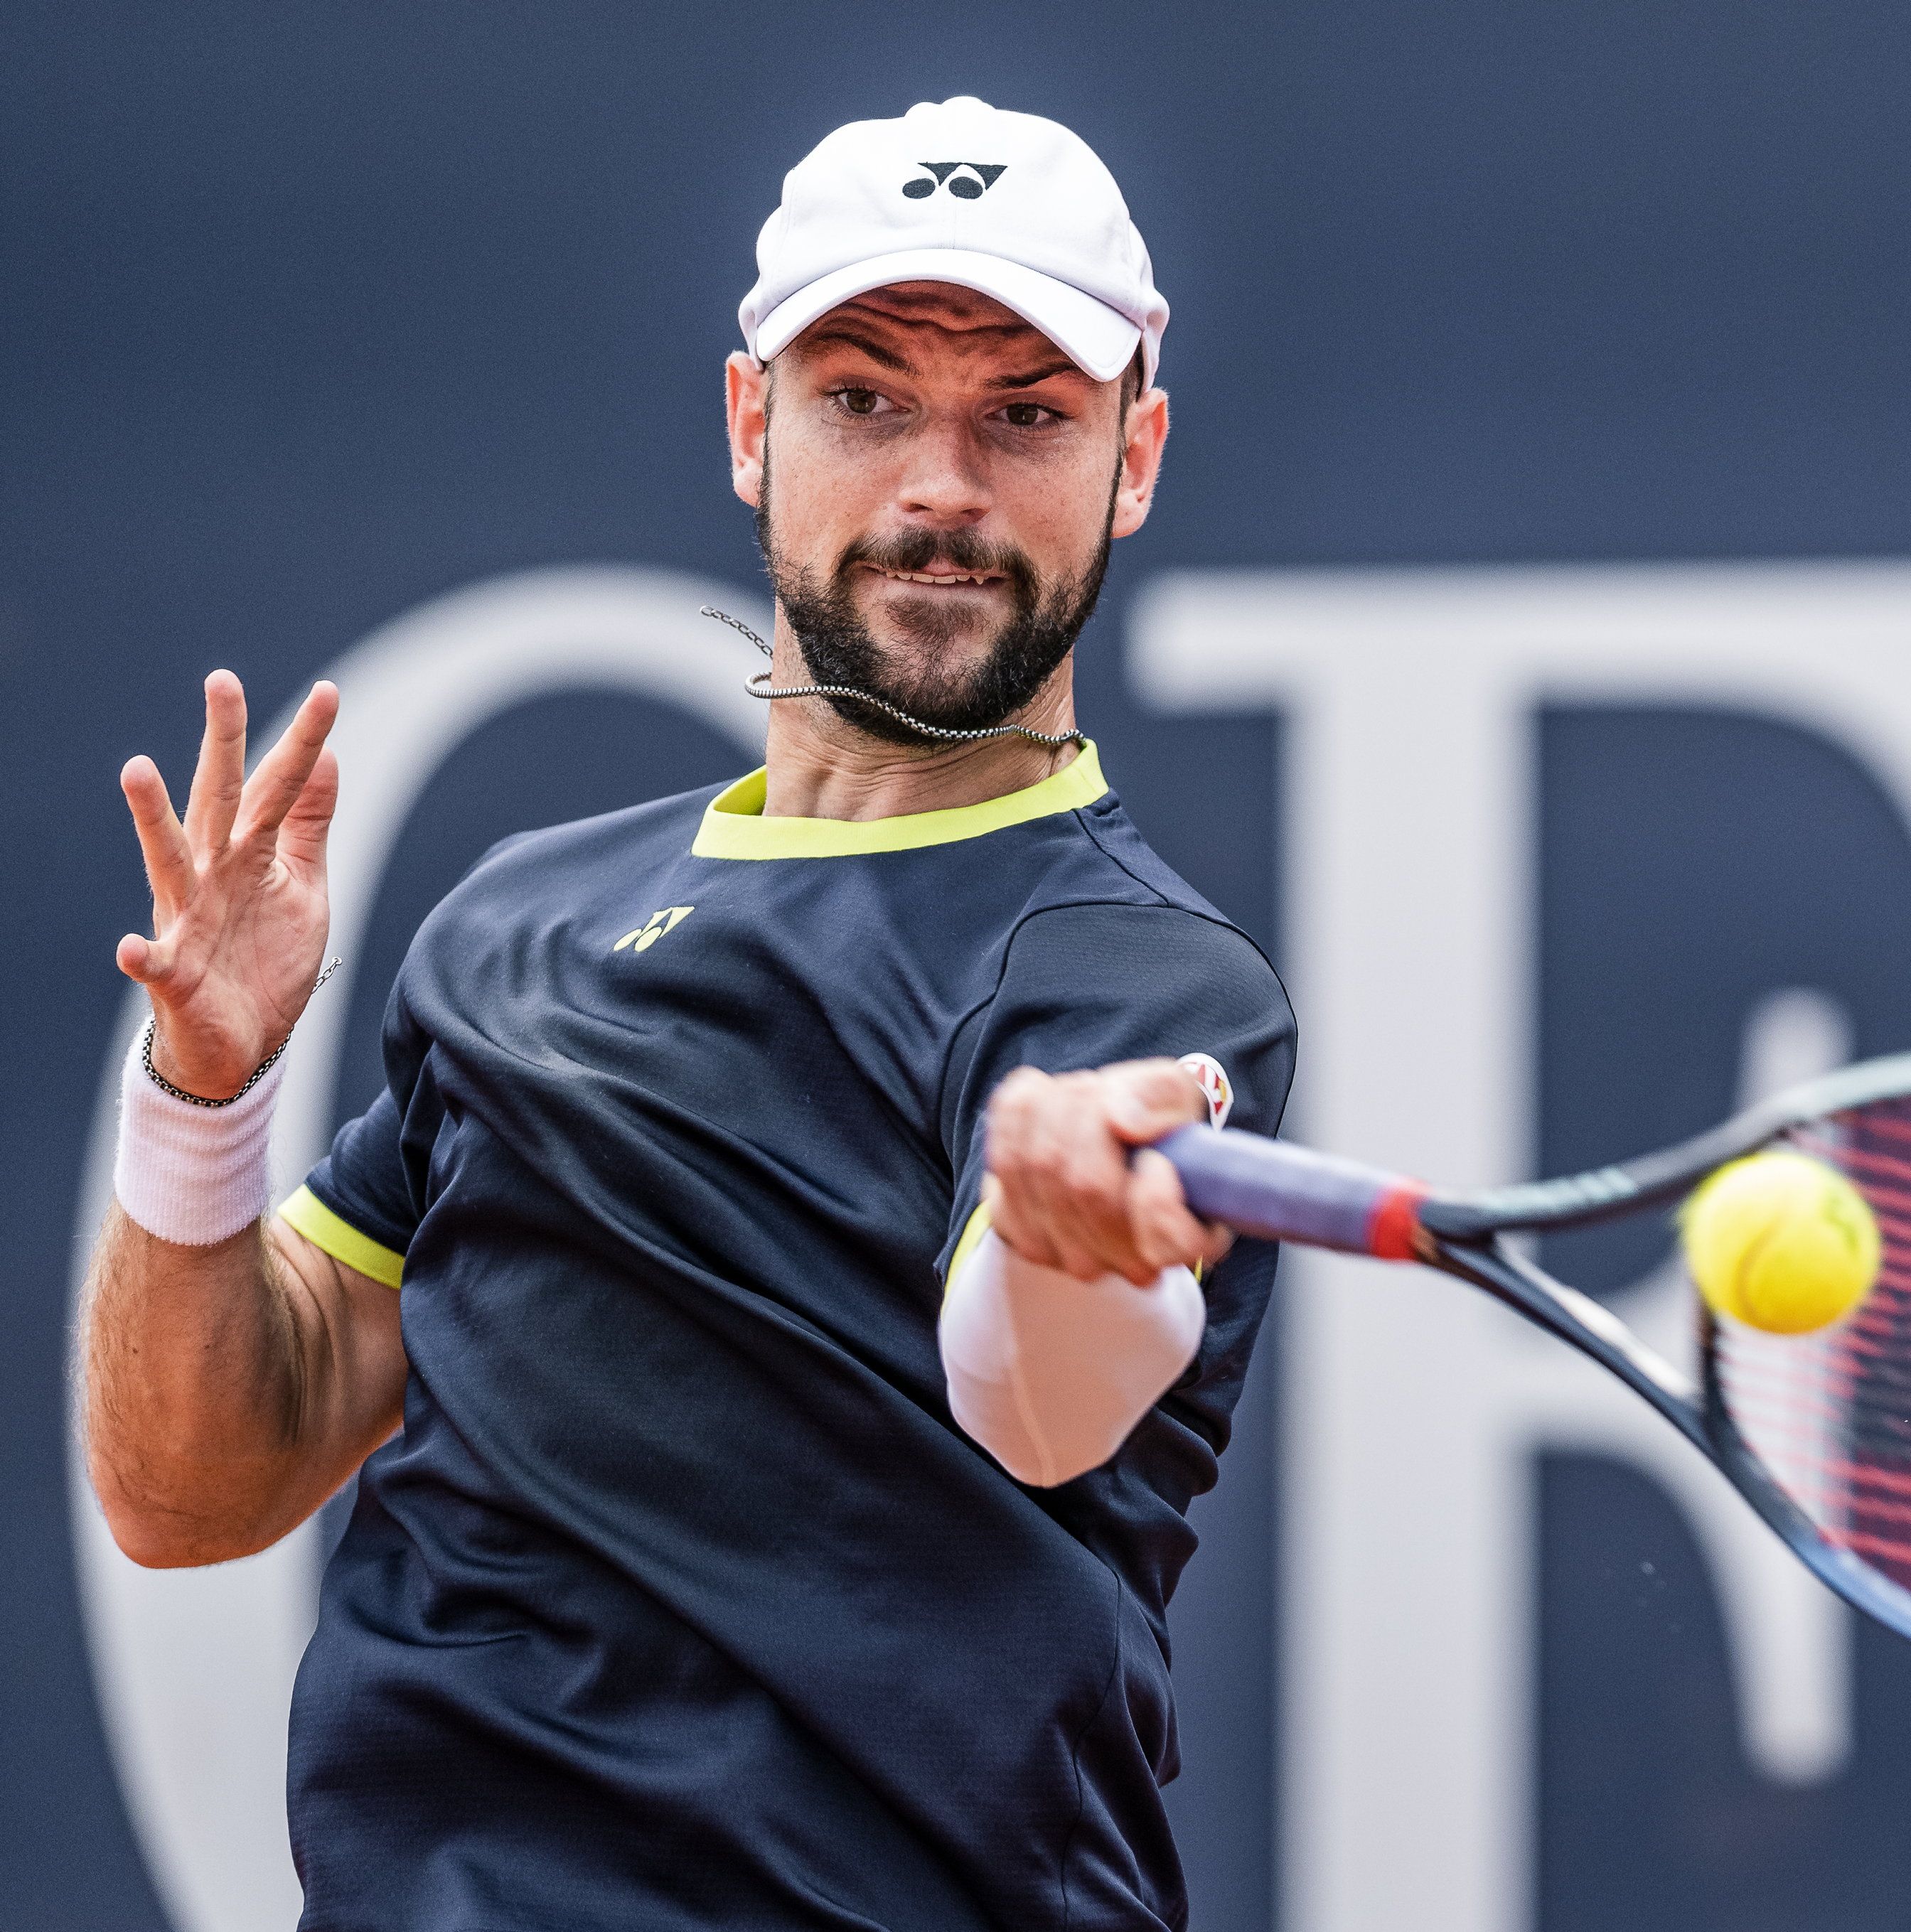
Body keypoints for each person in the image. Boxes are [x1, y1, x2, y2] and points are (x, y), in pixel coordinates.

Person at [81, 96, 1295, 1932]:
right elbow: (192, 1489)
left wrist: (1066, 1243)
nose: (940, 489)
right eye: (865, 399)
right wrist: (203, 1091)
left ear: (1134, 457)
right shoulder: (515, 920)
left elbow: (1036, 1410)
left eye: (1026, 415)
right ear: (751, 427)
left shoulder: (1142, 983)